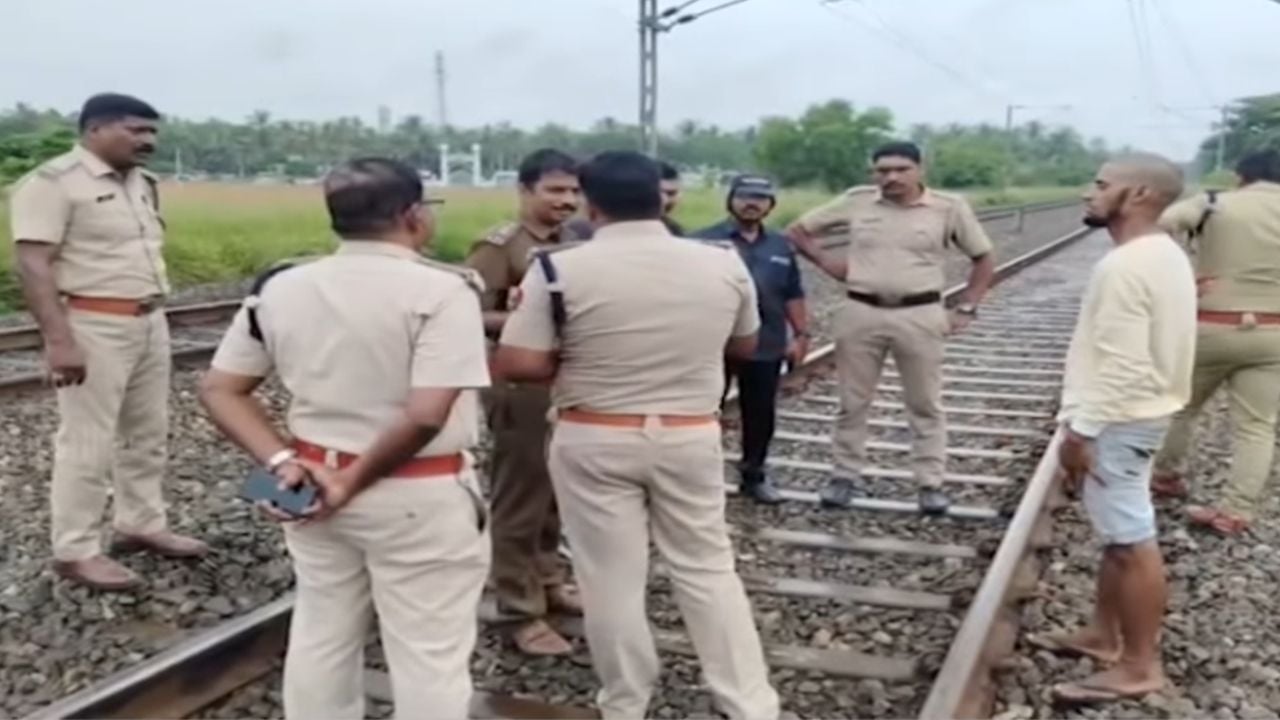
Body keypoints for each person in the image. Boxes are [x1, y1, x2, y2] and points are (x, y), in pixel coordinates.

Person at [198, 158, 491, 720]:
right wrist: (352, 482)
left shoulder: (281, 288)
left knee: (321, 630)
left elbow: (220, 389)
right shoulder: (443, 291)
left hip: (308, 484)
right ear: (414, 215)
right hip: (417, 492)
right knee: (428, 653)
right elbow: (425, 416)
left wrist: (281, 461)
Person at [494, 150, 779, 720]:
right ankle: (749, 703)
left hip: (594, 434)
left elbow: (519, 363)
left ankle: (626, 702)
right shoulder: (722, 263)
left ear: (591, 205)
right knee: (707, 568)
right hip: (689, 433)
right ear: (660, 198)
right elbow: (746, 345)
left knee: (610, 580)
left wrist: (582, 357)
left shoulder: (557, 269)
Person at [8, 93, 207, 591]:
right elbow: (34, 264)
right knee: (87, 441)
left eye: (152, 132)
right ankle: (75, 550)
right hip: (92, 324)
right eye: (135, 130)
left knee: (147, 432)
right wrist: (59, 340)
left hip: (149, 319)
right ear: (95, 130)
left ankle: (141, 523)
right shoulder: (53, 183)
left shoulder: (143, 183)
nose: (148, 141)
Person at [1030, 153, 1196, 704]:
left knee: (1131, 542)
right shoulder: (1163, 252)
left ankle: (1140, 666)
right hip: (1140, 414)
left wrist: (1080, 434)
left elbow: (1123, 365)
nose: (1089, 193)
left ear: (1140, 194)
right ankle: (1103, 636)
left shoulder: (1125, 265)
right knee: (1118, 536)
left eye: (1102, 185)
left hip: (1122, 421)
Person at [784, 141, 995, 515]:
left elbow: (983, 257)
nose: (891, 177)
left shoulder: (948, 207)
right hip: (861, 312)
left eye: (901, 169)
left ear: (920, 170)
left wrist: (967, 306)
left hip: (920, 314)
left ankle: (930, 483)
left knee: (925, 403)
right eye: (882, 170)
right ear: (873, 173)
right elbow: (798, 230)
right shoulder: (858, 201)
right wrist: (826, 262)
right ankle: (843, 476)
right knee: (852, 402)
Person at [465, 148, 585, 655]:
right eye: (555, 190)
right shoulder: (501, 246)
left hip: (564, 382)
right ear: (525, 190)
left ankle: (548, 578)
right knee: (520, 497)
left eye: (574, 191)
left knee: (554, 491)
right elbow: (467, 311)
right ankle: (518, 608)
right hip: (519, 387)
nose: (567, 200)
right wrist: (531, 317)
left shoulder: (575, 242)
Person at [1149, 150, 1280, 536]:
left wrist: (1179, 276)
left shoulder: (1212, 203)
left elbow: (1157, 225)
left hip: (1211, 325)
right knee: (1257, 426)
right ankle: (1236, 511)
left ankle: (1165, 477)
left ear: (1241, 176)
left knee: (1182, 408)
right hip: (1273, 333)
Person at [694, 175, 809, 504]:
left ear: (770, 205)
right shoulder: (703, 241)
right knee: (702, 412)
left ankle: (753, 476)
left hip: (765, 342)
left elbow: (793, 293)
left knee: (760, 415)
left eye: (760, 198)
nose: (752, 203)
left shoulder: (780, 245)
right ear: (730, 200)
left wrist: (801, 334)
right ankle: (698, 477)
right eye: (744, 196)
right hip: (712, 342)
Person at [567, 159, 684, 238]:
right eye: (659, 193)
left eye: (671, 193)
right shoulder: (578, 233)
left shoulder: (676, 231)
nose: (665, 200)